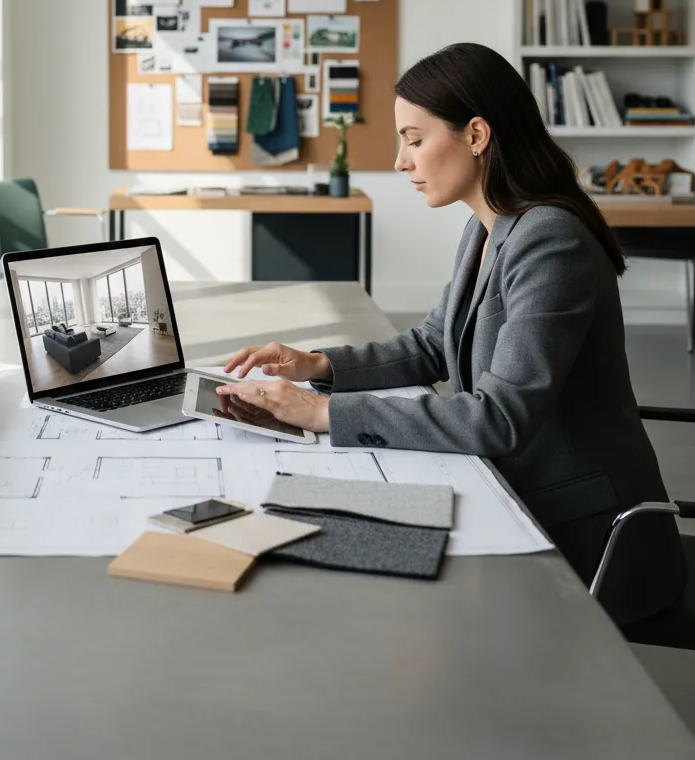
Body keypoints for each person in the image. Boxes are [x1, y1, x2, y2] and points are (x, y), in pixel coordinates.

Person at [216, 42, 686, 626]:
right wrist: (316, 366)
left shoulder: (550, 241)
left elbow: (500, 417)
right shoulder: (486, 227)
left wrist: (320, 415)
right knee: (315, 532)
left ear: (477, 135)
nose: (400, 161)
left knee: (352, 580)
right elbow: (434, 343)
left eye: (414, 139)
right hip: (506, 491)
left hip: (583, 537)